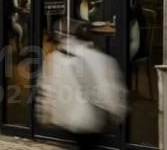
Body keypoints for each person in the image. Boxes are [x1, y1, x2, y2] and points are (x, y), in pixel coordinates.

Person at [38, 20, 126, 149]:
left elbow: (48, 89)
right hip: (90, 120)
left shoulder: (56, 58)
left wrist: (45, 113)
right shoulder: (101, 59)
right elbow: (108, 90)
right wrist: (116, 112)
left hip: (66, 119)